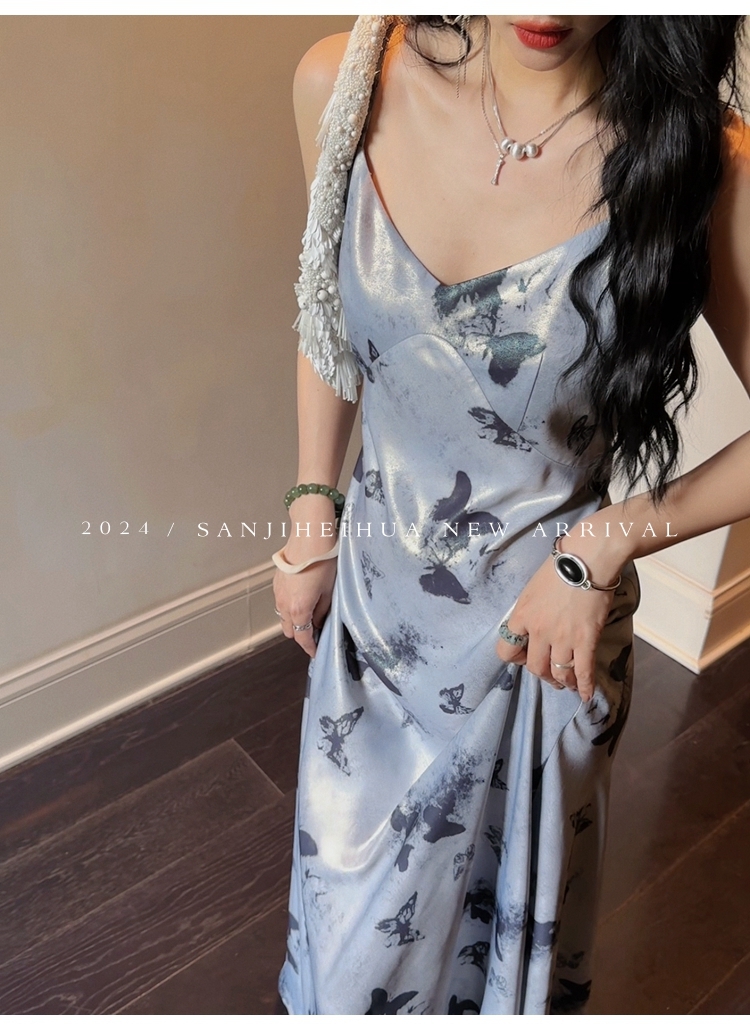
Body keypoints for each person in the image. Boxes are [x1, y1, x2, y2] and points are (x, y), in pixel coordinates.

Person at [272, 14, 749, 1015]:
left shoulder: (699, 163)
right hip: (372, 618)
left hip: (537, 645)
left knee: (481, 967)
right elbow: (326, 304)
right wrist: (314, 504)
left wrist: (607, 540)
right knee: (343, 954)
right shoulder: (346, 83)